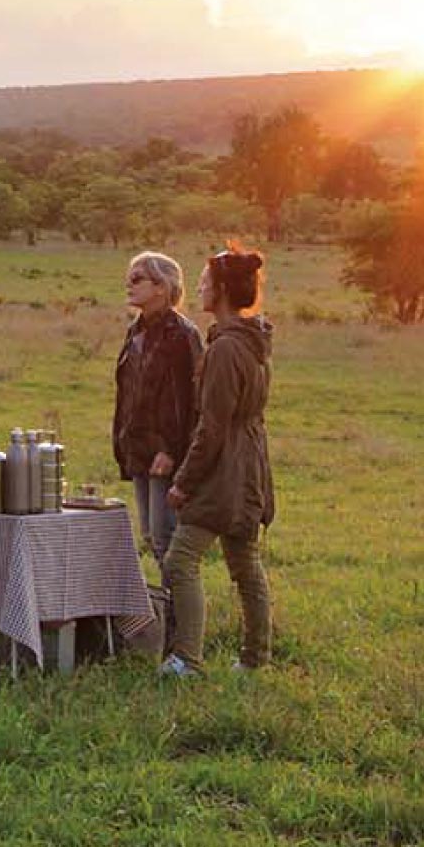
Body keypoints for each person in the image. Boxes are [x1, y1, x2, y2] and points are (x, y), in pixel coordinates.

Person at [161, 244, 277, 676]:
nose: (201, 288)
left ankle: (187, 659)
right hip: (249, 463)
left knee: (180, 561)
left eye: (207, 282)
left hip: (226, 467)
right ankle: (254, 658)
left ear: (224, 290)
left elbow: (212, 425)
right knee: (245, 563)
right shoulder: (252, 341)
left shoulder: (227, 348)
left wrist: (184, 480)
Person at [113, 251, 204, 559]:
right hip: (138, 446)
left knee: (166, 538)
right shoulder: (136, 330)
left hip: (165, 452)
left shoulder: (181, 334)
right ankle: (168, 606)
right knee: (152, 536)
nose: (129, 284)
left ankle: (177, 608)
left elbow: (190, 402)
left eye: (137, 278)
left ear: (162, 287)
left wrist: (172, 449)